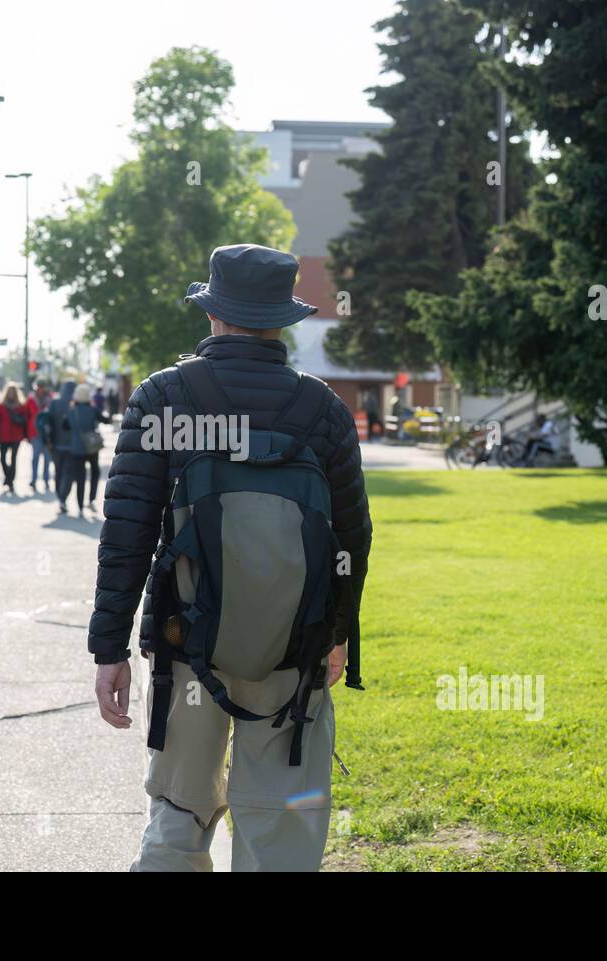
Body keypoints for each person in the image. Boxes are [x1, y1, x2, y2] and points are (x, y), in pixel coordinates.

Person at [89, 244, 372, 872]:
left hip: (185, 646)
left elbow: (127, 535)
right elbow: (352, 537)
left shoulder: (164, 397)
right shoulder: (322, 409)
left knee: (178, 813)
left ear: (214, 315)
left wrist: (109, 650)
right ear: (282, 321)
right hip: (290, 653)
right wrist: (336, 637)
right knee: (280, 823)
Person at [58, 382, 110, 516]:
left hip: (77, 448)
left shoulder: (71, 411)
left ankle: (80, 506)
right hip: (92, 447)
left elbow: (64, 426)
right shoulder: (93, 410)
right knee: (95, 473)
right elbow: (105, 420)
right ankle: (91, 499)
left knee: (80, 477)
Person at [0, 382, 33, 494]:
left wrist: (27, 436)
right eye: (9, 392)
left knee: (13, 460)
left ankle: (10, 482)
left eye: (13, 392)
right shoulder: (0, 405)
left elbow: (26, 422)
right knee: (2, 459)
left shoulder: (21, 405)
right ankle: (8, 478)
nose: (11, 394)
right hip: (3, 436)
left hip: (16, 436)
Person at [46, 380, 77, 500]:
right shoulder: (75, 404)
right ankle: (63, 496)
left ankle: (59, 495)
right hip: (72, 444)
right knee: (68, 472)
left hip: (56, 443)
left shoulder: (55, 403)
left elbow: (49, 421)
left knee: (58, 471)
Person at [28, 380, 54, 493]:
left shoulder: (50, 399)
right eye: (38, 387)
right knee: (35, 457)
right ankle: (33, 480)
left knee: (47, 459)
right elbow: (27, 416)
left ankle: (46, 480)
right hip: (35, 433)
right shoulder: (31, 400)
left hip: (47, 433)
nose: (40, 390)